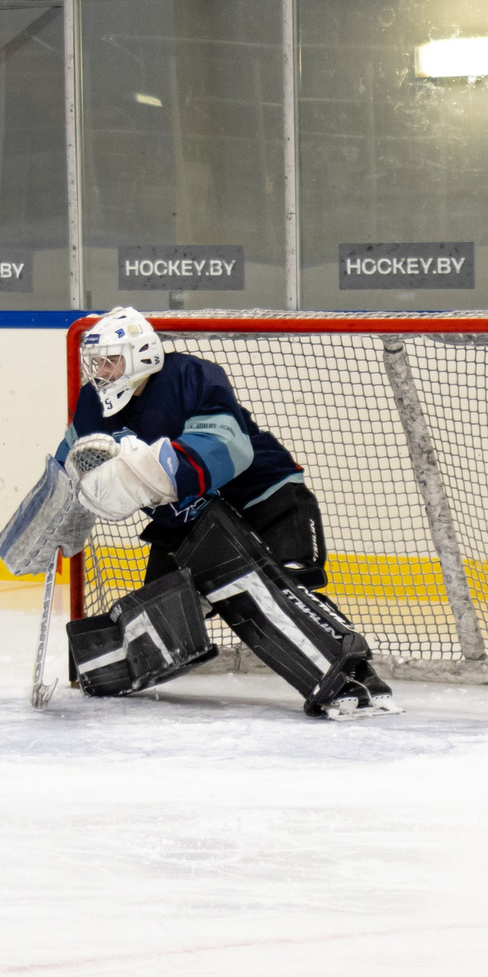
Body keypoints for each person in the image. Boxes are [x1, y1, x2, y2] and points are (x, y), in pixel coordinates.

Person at [59, 307, 396, 719]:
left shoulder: (191, 376)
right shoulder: (94, 406)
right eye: (96, 362)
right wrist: (53, 516)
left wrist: (142, 472)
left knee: (285, 587)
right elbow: (69, 466)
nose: (102, 371)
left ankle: (356, 680)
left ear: (141, 353)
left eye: (111, 360)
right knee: (158, 627)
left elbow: (226, 449)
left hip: (264, 500)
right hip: (187, 522)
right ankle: (101, 669)